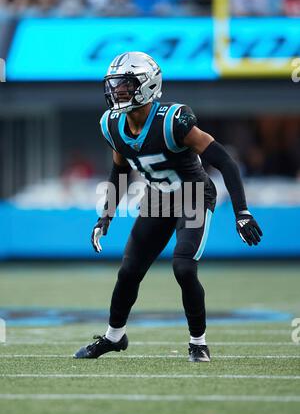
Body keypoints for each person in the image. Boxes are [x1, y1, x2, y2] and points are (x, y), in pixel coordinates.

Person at [74, 51, 262, 362]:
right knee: (128, 271)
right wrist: (104, 217)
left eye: (126, 84)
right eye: (115, 85)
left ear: (147, 85)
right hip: (158, 198)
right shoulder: (111, 125)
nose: (117, 91)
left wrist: (242, 212)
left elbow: (225, 161)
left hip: (192, 194)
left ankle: (198, 343)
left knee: (183, 266)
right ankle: (113, 337)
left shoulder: (174, 121)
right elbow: (120, 170)